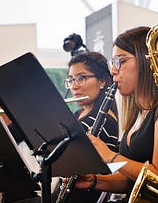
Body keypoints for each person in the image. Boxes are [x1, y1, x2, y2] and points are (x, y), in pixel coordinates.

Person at [72, 26, 158, 201]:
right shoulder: (140, 113)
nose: (113, 70)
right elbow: (129, 180)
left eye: (120, 61)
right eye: (113, 62)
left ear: (146, 61)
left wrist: (110, 156)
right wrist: (94, 181)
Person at [55, 51, 119, 203]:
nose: (74, 86)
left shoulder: (104, 120)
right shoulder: (78, 114)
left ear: (102, 81)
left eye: (81, 78)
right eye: (71, 80)